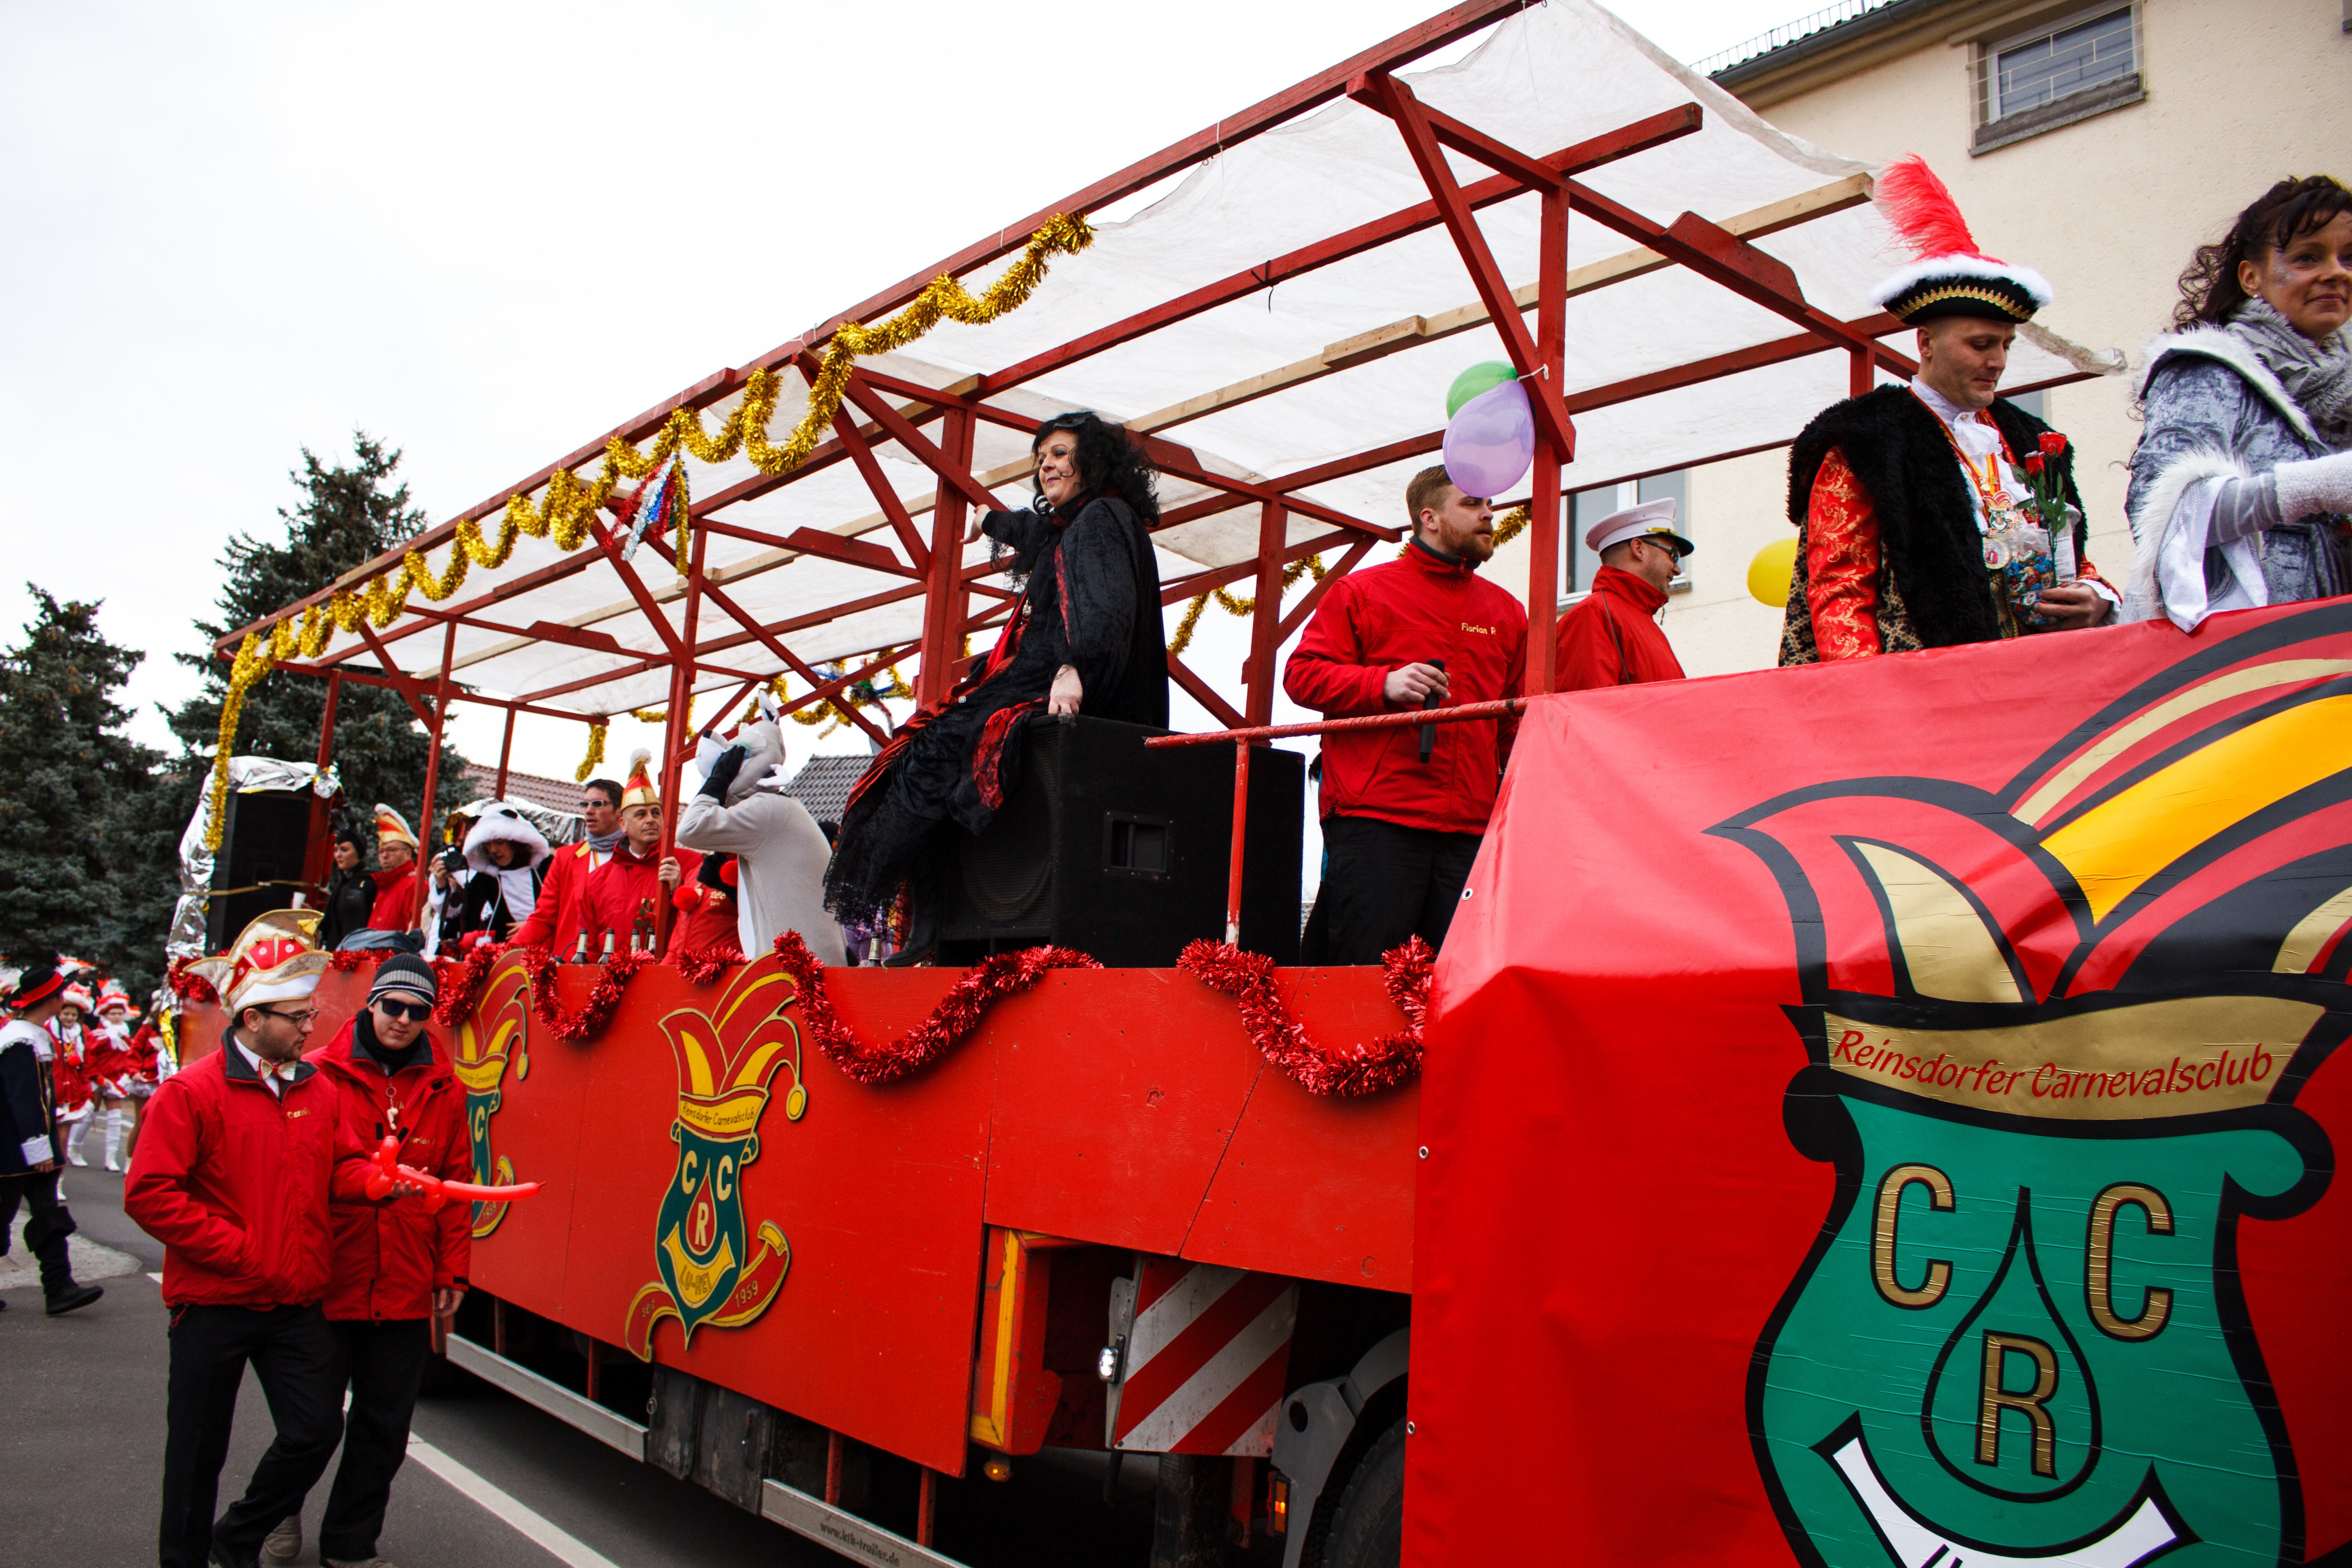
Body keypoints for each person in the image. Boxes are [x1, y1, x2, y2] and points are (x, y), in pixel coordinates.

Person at [825, 412, 1168, 965]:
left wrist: (1073, 667)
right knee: (919, 751)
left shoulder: (1102, 519)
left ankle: (934, 916)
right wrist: (988, 520)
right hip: (1034, 669)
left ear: (1093, 461)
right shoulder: (1072, 524)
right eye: (1041, 458)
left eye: (1059, 454)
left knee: (933, 750)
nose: (1046, 465)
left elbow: (1105, 607)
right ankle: (934, 914)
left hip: (1056, 675)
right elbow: (1032, 533)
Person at [1780, 156, 2115, 664]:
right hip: (1928, 686)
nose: (1998, 362)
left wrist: (2096, 597)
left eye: (2006, 345)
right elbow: (1841, 591)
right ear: (1926, 343)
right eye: (1980, 344)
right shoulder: (1868, 438)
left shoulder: (2029, 437)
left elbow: (2072, 556)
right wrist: (1869, 696)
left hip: (2044, 673)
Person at [127, 911, 385, 1568]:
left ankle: (238, 1537)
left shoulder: (317, 1089)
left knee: (315, 1430)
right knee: (196, 1454)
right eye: (297, 1018)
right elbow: (151, 1194)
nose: (310, 1028)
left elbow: (340, 1168)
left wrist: (376, 1182)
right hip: (214, 1301)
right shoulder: (189, 1093)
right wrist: (242, 1252)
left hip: (294, 1299)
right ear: (251, 1020)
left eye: (309, 1015)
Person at [258, 955, 468, 1568]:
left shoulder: (447, 1087)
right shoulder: (317, 1075)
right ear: (371, 1004)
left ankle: (351, 1546)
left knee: (384, 1427)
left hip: (405, 1278)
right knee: (310, 1424)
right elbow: (297, 1176)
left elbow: (457, 1182)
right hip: (328, 1275)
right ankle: (279, 1509)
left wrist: (452, 1270)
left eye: (418, 1011)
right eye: (392, 1006)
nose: (403, 1020)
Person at [1284, 464, 1527, 964]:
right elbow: (1301, 675)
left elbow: (1512, 725)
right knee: (1363, 979)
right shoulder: (1361, 591)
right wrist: (1383, 684)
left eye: (1489, 505)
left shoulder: (1507, 611)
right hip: (1378, 819)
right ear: (1429, 518)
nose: (1489, 514)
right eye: (1472, 504)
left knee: (1454, 983)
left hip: (1469, 826)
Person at [2125, 175, 2352, 630]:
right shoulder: (2206, 368)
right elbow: (2159, 512)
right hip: (2249, 654)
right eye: (2308, 257)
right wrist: (2316, 486)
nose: (2337, 272)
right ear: (2251, 277)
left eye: (2349, 257)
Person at [679, 703, 847, 965]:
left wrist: (717, 782)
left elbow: (690, 829)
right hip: (806, 963)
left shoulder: (765, 809)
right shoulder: (780, 807)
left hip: (796, 970)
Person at [0, 961, 105, 1315]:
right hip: (13, 1150)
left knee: (49, 1215)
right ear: (51, 999)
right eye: (60, 994)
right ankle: (59, 1286)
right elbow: (23, 1100)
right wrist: (38, 1148)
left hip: (30, 1148)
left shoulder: (33, 1034)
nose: (64, 1000)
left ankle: (59, 1287)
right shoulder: (18, 1040)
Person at [1555, 499, 1692, 690]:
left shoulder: (1641, 621)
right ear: (1639, 549)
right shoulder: (1593, 615)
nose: (1677, 569)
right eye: (1673, 555)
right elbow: (1590, 706)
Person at [580, 751, 701, 958]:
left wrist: (679, 890)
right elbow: (588, 943)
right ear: (623, 824)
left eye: (656, 813)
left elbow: (702, 926)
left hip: (668, 974)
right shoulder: (598, 879)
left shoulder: (690, 864)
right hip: (611, 975)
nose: (650, 820)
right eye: (641, 814)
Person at [510, 777, 626, 957]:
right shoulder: (566, 858)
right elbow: (543, 919)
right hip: (569, 964)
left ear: (619, 811)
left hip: (618, 965)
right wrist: (506, 954)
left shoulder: (634, 857)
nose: (589, 811)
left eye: (598, 804)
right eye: (585, 804)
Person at [449, 803, 553, 949]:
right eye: (488, 844)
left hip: (546, 951)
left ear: (515, 842)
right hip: (504, 955)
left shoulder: (545, 868)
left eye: (499, 843)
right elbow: (468, 922)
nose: (493, 850)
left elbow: (562, 910)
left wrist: (533, 926)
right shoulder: (485, 879)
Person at [86, 980, 137, 1171]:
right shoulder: (98, 1035)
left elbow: (129, 1057)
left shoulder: (125, 1035)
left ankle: (111, 1158)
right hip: (97, 1078)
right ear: (105, 1015)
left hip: (116, 1080)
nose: (116, 1017)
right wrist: (98, 1078)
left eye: (119, 1013)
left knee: (115, 1119)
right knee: (87, 1116)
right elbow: (89, 1059)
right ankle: (74, 1147)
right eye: (112, 1014)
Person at [357, 805, 422, 942]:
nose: (385, 855)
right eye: (381, 851)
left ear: (408, 853)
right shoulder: (383, 884)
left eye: (391, 850)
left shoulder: (414, 885)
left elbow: (414, 934)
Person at [669, 851, 746, 961]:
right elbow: (679, 936)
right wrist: (667, 966)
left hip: (725, 967)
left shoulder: (745, 870)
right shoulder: (698, 870)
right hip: (688, 967)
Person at [315, 826, 376, 952]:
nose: (338, 855)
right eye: (336, 850)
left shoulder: (371, 881)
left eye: (344, 850)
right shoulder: (342, 883)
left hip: (360, 951)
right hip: (337, 951)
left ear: (358, 852)